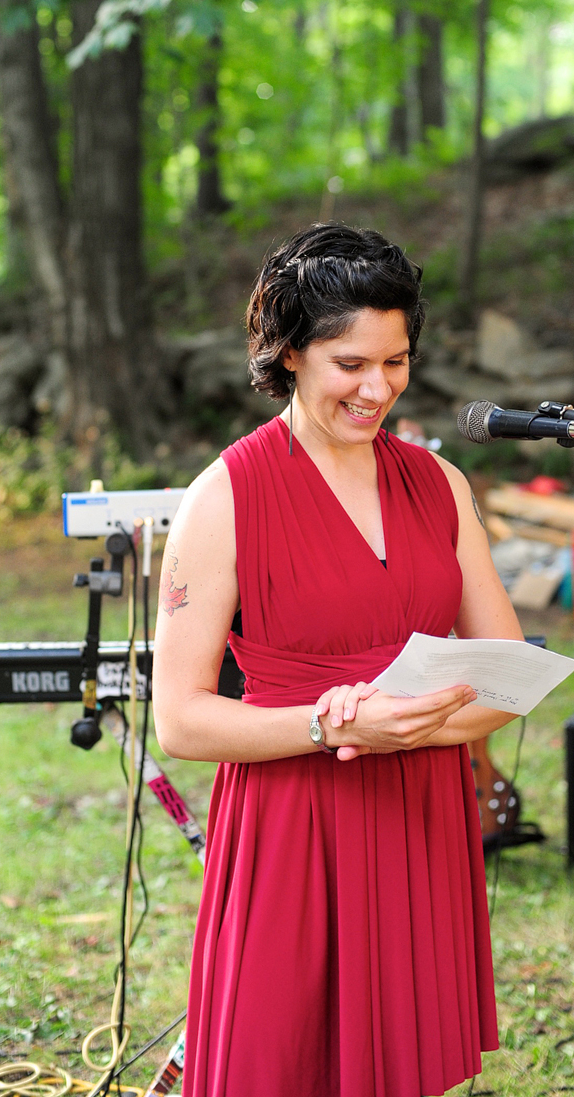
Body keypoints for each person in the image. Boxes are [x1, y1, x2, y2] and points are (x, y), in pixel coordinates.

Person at [152, 223, 524, 1097]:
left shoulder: (441, 485)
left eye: (394, 361)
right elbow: (179, 718)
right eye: (350, 363)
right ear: (288, 354)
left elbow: (505, 669)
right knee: (284, 1063)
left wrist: (415, 727)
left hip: (420, 808)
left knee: (401, 1068)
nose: (377, 387)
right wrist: (334, 724)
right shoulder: (225, 496)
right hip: (294, 817)